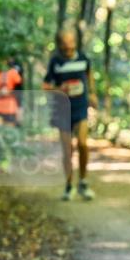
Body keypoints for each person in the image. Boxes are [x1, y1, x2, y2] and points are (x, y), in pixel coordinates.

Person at [44, 30, 98, 200]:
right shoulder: (56, 62)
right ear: (60, 45)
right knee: (67, 150)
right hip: (62, 109)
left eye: (71, 43)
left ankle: (83, 181)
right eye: (64, 44)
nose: (68, 47)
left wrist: (92, 94)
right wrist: (59, 90)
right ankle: (69, 185)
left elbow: (89, 76)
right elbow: (45, 85)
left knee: (83, 143)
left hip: (81, 107)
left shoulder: (83, 59)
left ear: (74, 42)